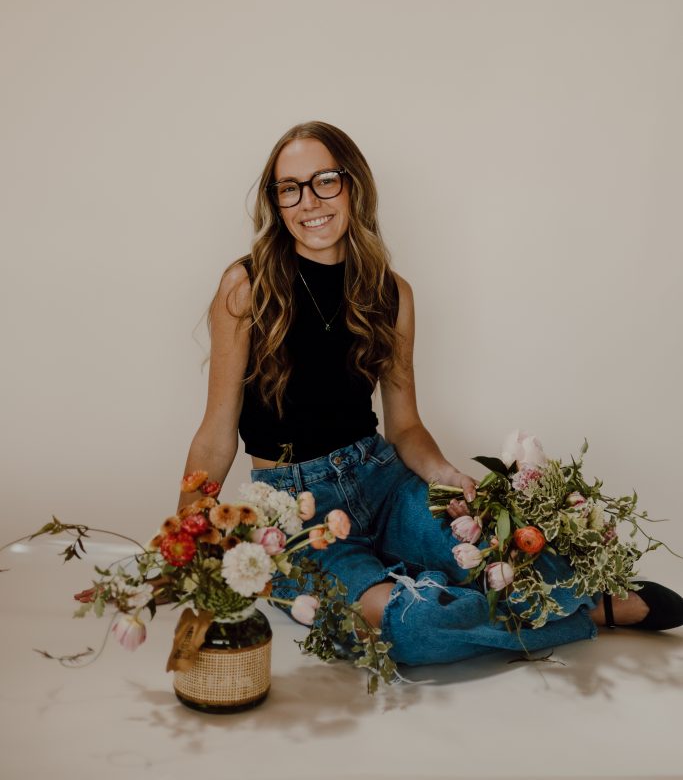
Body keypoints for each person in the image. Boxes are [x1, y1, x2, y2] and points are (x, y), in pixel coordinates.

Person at [178, 121, 683, 667]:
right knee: (412, 630)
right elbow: (216, 433)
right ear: (276, 202)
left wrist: (445, 473)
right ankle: (581, 612)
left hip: (384, 480)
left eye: (325, 180)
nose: (309, 201)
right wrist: (182, 546)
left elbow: (404, 426)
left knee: (511, 559)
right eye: (289, 187)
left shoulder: (393, 294)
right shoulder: (246, 287)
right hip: (297, 511)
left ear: (353, 186)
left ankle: (530, 595)